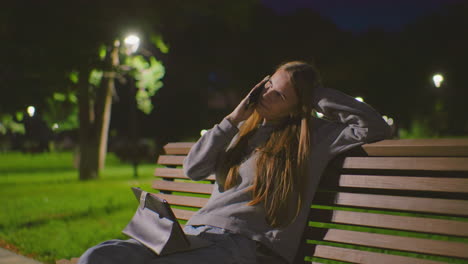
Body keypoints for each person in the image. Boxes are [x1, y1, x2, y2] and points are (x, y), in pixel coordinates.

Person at [78, 61, 392, 264]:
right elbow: (194, 169)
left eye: (280, 95)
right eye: (268, 85)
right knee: (99, 257)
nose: (266, 95)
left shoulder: (315, 138)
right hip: (195, 237)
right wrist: (233, 118)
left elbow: (373, 127)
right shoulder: (242, 130)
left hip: (243, 248)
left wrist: (316, 92)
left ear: (300, 106)